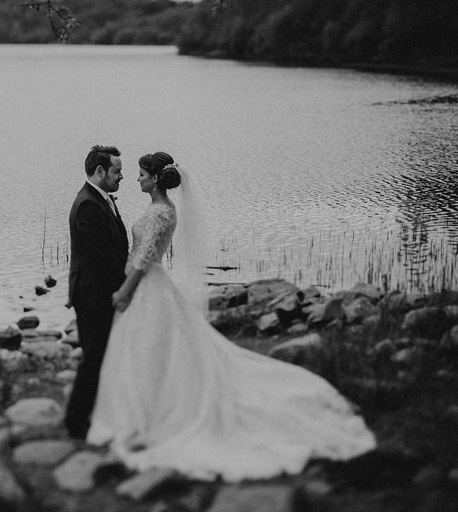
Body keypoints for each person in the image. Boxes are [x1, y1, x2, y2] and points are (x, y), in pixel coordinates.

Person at [87, 151, 377, 481]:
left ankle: (155, 415)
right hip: (151, 287)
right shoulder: (160, 208)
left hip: (147, 287)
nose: (136, 178)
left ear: (154, 179)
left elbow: (143, 260)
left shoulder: (162, 213)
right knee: (151, 351)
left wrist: (125, 290)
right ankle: (145, 411)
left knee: (155, 349)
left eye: (140, 174)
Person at [64, 145, 129, 440]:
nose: (122, 176)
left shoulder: (100, 199)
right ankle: (76, 422)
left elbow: (114, 250)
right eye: (116, 171)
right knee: (93, 357)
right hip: (93, 293)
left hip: (99, 289)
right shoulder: (88, 204)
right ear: (100, 171)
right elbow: (104, 260)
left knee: (101, 355)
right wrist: (129, 286)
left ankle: (94, 414)